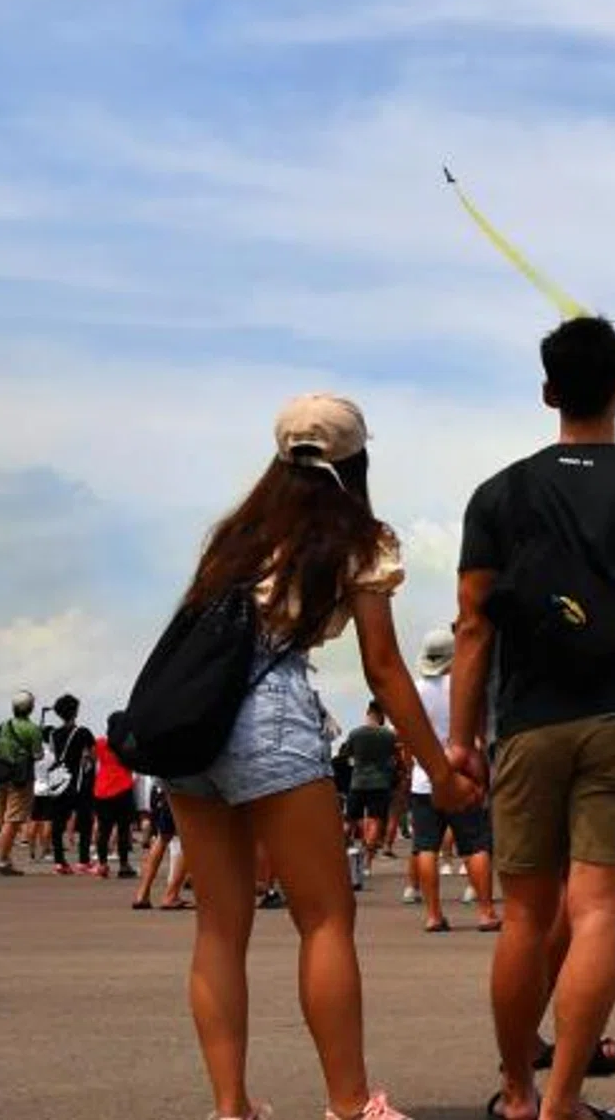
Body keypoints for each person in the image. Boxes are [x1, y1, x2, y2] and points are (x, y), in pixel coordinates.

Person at [161, 393, 478, 1120]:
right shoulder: (359, 538)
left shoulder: (235, 535)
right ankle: (349, 1105)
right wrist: (439, 769)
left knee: (219, 927)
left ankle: (231, 1108)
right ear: (356, 458)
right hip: (271, 713)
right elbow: (384, 668)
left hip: (191, 721)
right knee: (326, 919)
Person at [452, 317, 615, 1120]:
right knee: (597, 910)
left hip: (528, 717)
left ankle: (517, 1094)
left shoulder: (497, 494)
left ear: (548, 393)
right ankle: (565, 1102)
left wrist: (462, 738)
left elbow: (472, 625)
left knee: (525, 915)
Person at [406, 628, 500, 934]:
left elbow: (406, 736)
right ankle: (486, 912)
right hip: (463, 776)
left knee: (426, 847)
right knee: (475, 845)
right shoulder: (465, 687)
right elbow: (480, 730)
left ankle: (433, 915)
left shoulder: (415, 690)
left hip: (425, 778)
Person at [39, 694, 97, 875]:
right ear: (75, 711)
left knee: (58, 821)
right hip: (78, 782)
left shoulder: (53, 734)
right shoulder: (83, 732)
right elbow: (92, 756)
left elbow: (52, 754)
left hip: (58, 781)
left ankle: (59, 861)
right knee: (85, 821)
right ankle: (83, 860)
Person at [341, 703, 400, 879]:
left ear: (368, 713)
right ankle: (367, 865)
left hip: (358, 782)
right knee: (375, 821)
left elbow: (347, 755)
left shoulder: (355, 733)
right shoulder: (388, 735)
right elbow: (394, 757)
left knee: (349, 821)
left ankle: (341, 856)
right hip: (380, 783)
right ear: (381, 715)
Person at [0, 691, 43, 876]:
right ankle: (3, 860)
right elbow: (38, 754)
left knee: (4, 816)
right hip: (21, 778)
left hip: (2, 774)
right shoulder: (32, 729)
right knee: (12, 820)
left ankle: (6, 859)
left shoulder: (2, 726)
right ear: (31, 708)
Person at [133, 779, 192, 911]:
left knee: (162, 838)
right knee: (189, 840)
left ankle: (142, 894)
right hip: (189, 787)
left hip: (167, 787)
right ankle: (171, 895)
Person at [93, 711, 140, 878]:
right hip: (123, 788)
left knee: (103, 830)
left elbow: (91, 758)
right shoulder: (129, 744)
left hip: (102, 789)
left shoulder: (100, 743)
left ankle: (102, 864)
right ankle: (124, 865)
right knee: (123, 829)